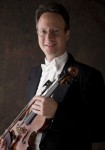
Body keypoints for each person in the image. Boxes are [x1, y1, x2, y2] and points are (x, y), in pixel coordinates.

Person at [0, 1, 105, 150]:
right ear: (37, 33)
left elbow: (99, 132)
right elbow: (27, 125)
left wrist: (58, 113)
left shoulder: (88, 76)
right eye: (43, 31)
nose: (48, 38)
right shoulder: (34, 74)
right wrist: (9, 140)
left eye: (55, 31)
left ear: (66, 34)